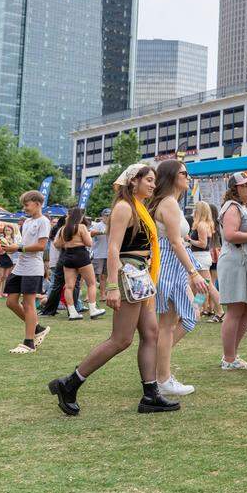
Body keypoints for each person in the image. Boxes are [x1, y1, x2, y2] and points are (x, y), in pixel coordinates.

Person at [49, 163, 179, 415]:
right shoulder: (124, 207)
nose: (153, 185)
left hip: (139, 273)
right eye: (148, 180)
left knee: (151, 333)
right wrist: (111, 286)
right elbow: (113, 248)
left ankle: (150, 394)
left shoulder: (137, 207)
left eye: (154, 181)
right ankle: (70, 383)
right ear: (133, 181)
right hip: (128, 273)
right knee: (121, 339)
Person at [148, 160, 209, 397]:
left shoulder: (167, 202)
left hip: (171, 263)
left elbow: (176, 242)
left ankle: (159, 371)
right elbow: (174, 242)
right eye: (184, 172)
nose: (188, 176)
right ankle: (162, 377)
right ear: (173, 176)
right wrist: (193, 272)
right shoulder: (169, 203)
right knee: (171, 323)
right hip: (170, 264)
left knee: (181, 318)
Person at [217, 173, 247, 371]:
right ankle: (229, 358)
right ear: (234, 189)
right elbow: (230, 235)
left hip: (244, 261)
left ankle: (231, 355)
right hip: (235, 261)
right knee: (236, 309)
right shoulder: (232, 207)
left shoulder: (241, 207)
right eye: (245, 186)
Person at [1, 191, 52, 354]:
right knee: (11, 302)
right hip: (20, 266)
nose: (24, 208)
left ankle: (29, 343)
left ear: (37, 204)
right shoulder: (27, 222)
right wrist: (10, 248)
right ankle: (37, 328)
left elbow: (41, 246)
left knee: (28, 304)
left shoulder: (44, 221)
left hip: (33, 268)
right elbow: (24, 244)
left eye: (27, 205)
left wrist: (18, 248)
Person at [58, 207, 104, 321]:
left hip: (68, 256)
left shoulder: (63, 229)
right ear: (80, 216)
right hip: (81, 255)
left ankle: (72, 312)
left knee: (69, 286)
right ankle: (93, 310)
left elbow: (58, 244)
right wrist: (88, 235)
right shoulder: (81, 227)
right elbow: (89, 243)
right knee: (91, 283)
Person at [188, 202, 220, 322]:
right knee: (198, 286)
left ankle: (220, 311)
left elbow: (203, 244)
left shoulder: (201, 225)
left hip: (200, 258)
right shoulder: (206, 224)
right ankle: (195, 309)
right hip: (201, 257)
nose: (194, 211)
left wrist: (189, 240)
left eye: (196, 209)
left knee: (208, 286)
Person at [89, 209, 110, 293]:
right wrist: (102, 232)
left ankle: (103, 295)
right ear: (102, 216)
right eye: (106, 215)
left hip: (108, 255)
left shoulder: (113, 225)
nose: (108, 217)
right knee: (93, 276)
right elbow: (90, 233)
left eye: (110, 215)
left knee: (104, 276)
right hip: (98, 254)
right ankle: (88, 295)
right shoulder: (97, 225)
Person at [0, 221, 18, 298]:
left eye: (9, 230)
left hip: (10, 259)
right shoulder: (1, 239)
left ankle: (3, 291)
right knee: (1, 276)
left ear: (12, 231)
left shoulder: (14, 239)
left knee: (6, 276)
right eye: (6, 230)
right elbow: (0, 250)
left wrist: (10, 248)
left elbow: (14, 250)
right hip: (3, 257)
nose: (7, 231)